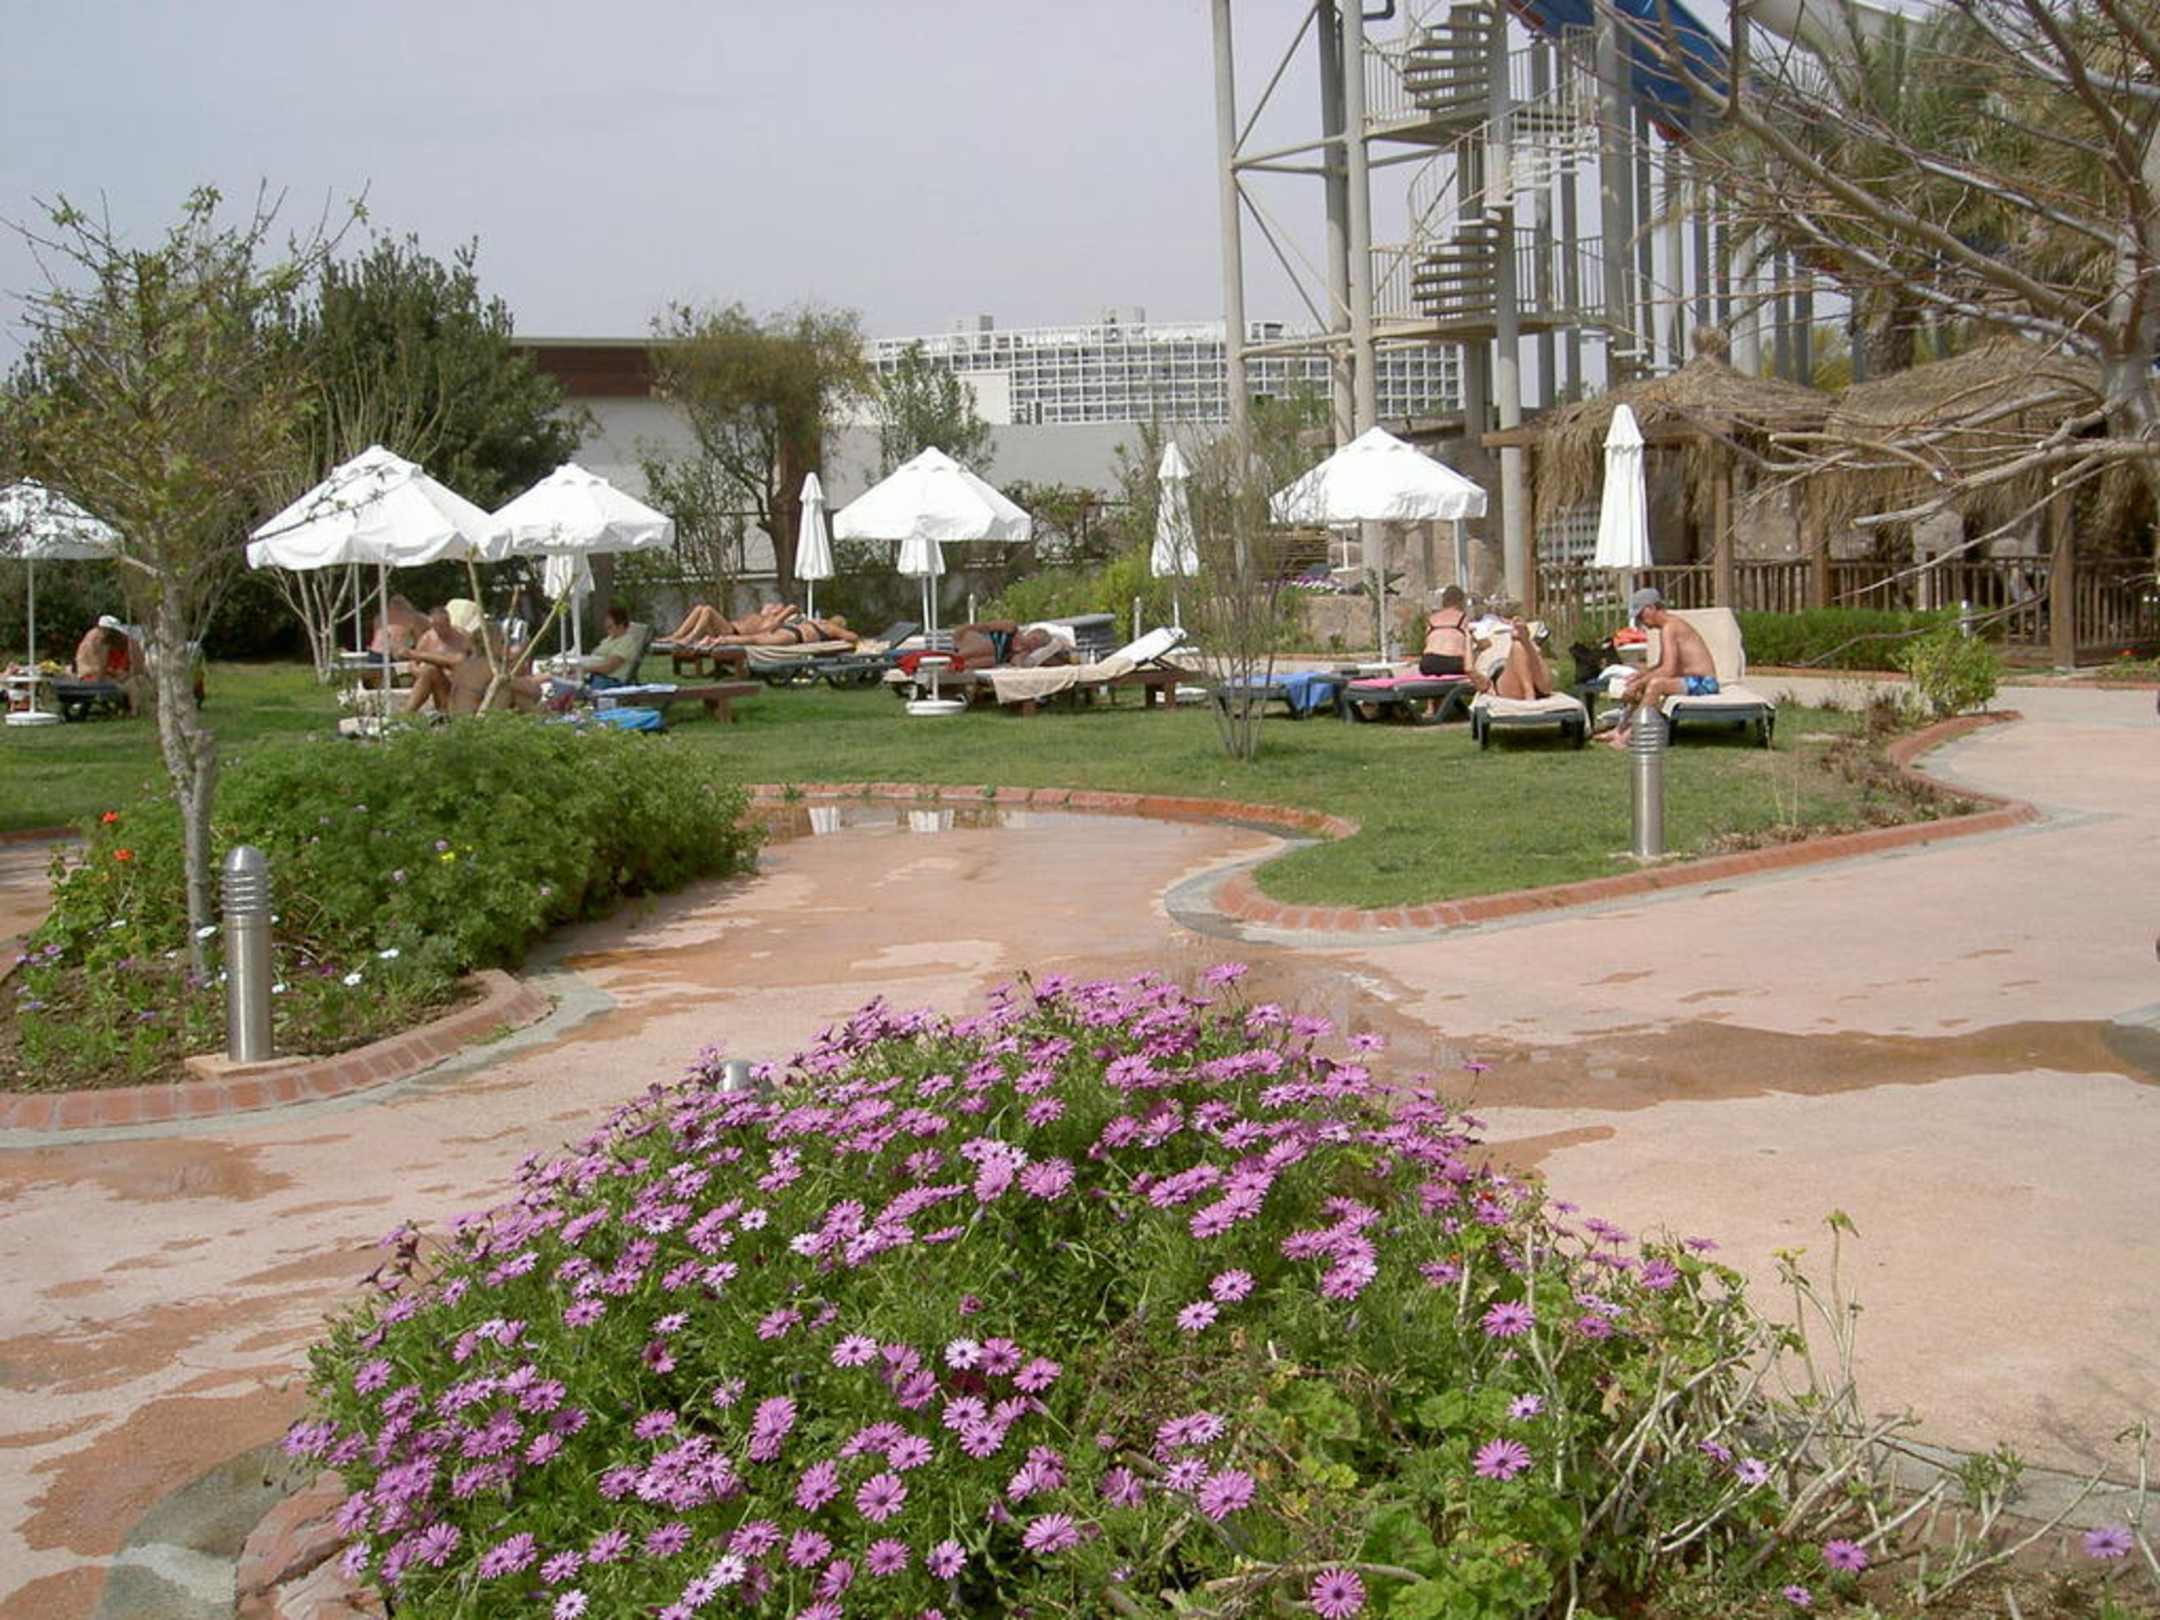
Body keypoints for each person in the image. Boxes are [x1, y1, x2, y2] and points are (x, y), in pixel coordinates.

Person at [1608, 587, 1718, 748]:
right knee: (1644, 681)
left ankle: (1630, 735)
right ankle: (1619, 729)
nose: (1641, 622)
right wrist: (1639, 676)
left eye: (1640, 616)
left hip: (1705, 682)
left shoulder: (1670, 628)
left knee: (1655, 684)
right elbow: (1662, 665)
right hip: (1690, 680)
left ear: (1651, 608)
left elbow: (1668, 670)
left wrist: (1639, 683)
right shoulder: (1669, 626)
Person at [404, 624, 544, 716]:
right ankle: (545, 723)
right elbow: (534, 692)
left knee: (511, 689)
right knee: (512, 692)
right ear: (490, 644)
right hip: (472, 718)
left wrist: (410, 653)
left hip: (457, 712)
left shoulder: (468, 661)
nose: (506, 646)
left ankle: (403, 716)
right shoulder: (490, 667)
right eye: (502, 642)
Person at [1471, 614, 1557, 700]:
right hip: (1502, 671)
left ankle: (1526, 641)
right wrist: (1469, 635)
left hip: (1530, 668)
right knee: (1519, 646)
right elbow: (1470, 668)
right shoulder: (1477, 630)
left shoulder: (1524, 627)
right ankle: (1526, 641)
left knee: (1521, 647)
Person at [577, 606, 644, 690]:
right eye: (606, 627)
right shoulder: (610, 639)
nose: (607, 630)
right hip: (595, 676)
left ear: (621, 625)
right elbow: (595, 654)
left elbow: (609, 668)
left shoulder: (626, 642)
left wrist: (585, 669)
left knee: (573, 683)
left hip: (609, 681)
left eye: (610, 627)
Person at [1420, 586, 1471, 677]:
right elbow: (1468, 642)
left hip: (1428, 662)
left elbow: (1427, 641)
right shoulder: (1462, 617)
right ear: (1461, 602)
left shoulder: (1432, 619)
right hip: (1453, 663)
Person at [73, 616, 135, 683]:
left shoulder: (97, 637)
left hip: (91, 675)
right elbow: (98, 669)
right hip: (92, 678)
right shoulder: (97, 640)